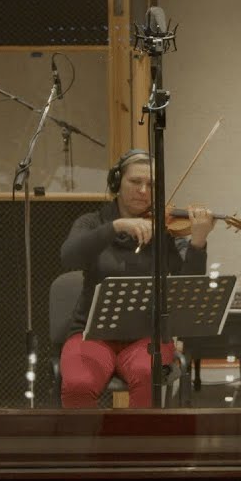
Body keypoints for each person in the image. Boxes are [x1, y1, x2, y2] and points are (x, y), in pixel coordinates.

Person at [59, 149, 213, 408]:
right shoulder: (92, 222)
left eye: (151, 185)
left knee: (148, 375)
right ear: (117, 182)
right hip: (91, 335)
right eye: (135, 181)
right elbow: (69, 257)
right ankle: (87, 437)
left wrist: (197, 243)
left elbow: (186, 287)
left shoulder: (163, 231)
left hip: (148, 337)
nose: (143, 191)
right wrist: (116, 227)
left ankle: (138, 436)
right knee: (79, 384)